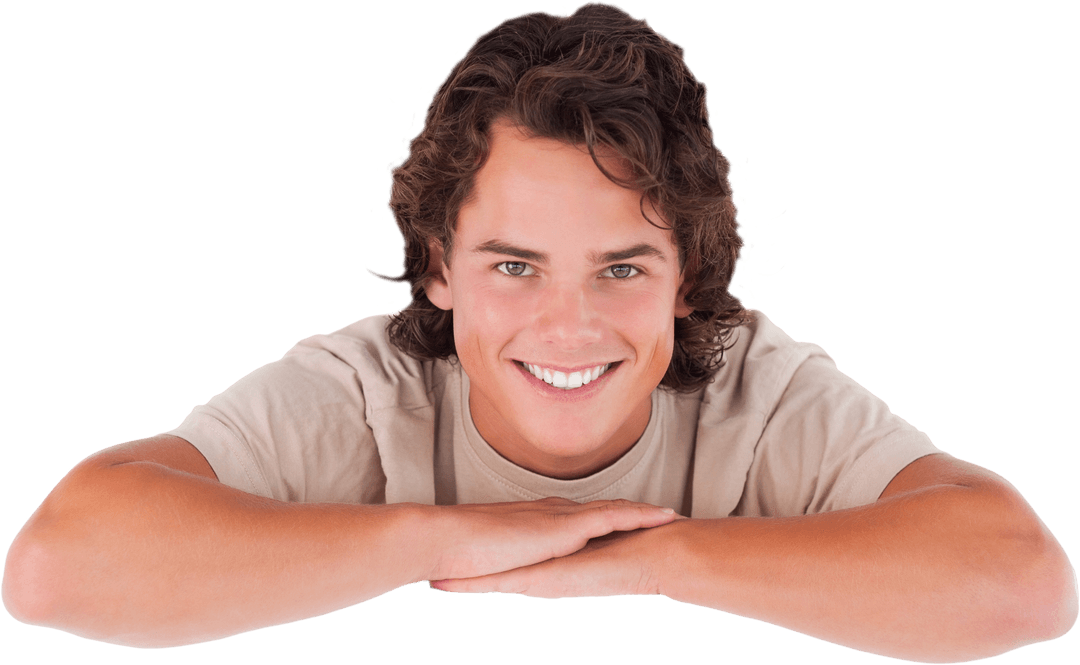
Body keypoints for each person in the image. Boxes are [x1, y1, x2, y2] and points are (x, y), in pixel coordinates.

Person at [2, 2, 1075, 660]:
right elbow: (54, 569)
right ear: (437, 268)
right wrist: (445, 536)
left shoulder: (761, 390)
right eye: (514, 266)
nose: (570, 324)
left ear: (690, 280)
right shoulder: (367, 388)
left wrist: (655, 557)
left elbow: (1023, 584)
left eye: (622, 266)